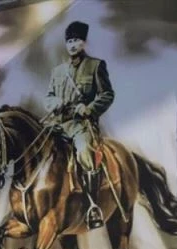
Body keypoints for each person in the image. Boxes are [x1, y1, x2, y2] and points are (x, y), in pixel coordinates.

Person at [44, 20, 114, 230]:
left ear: (84, 43)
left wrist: (89, 109)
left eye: (77, 40)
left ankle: (92, 205)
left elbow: (107, 94)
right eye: (70, 41)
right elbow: (48, 97)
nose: (73, 45)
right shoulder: (57, 71)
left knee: (84, 152)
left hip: (81, 125)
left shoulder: (96, 65)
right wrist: (55, 103)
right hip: (57, 123)